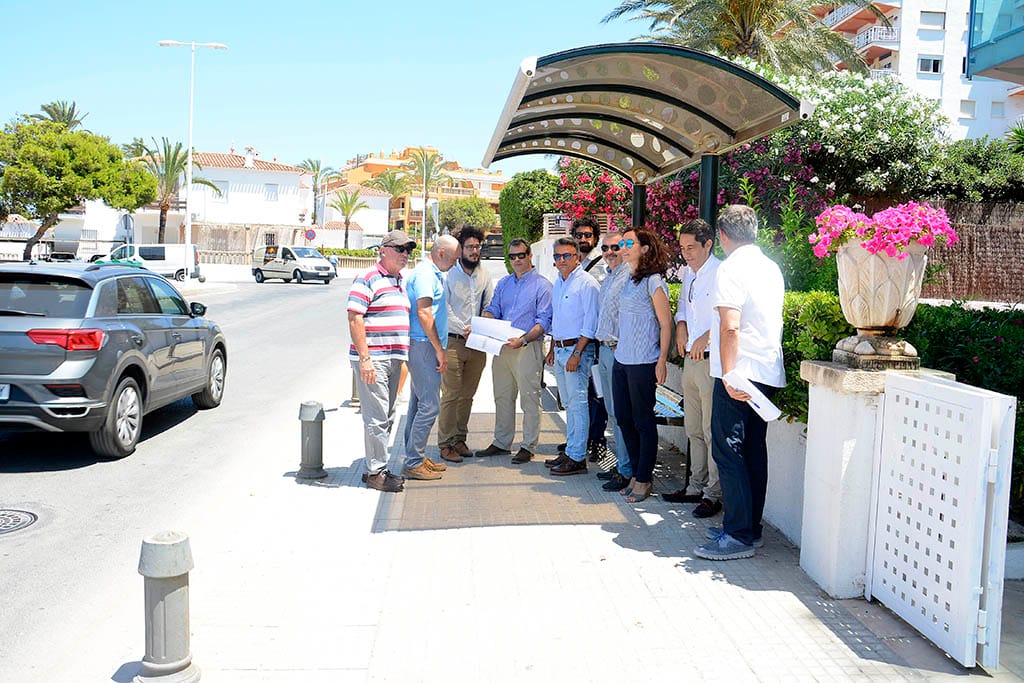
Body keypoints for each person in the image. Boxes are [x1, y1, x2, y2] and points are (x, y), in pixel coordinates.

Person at [695, 205, 786, 561]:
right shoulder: (770, 267)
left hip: (740, 374)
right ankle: (750, 528)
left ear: (722, 236)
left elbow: (730, 326)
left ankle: (737, 535)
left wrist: (730, 375)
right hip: (766, 371)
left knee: (728, 451)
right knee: (752, 451)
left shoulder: (730, 268)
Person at [662, 219, 723, 518]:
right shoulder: (689, 273)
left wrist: (706, 336)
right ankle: (695, 486)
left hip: (712, 360)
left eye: (691, 248)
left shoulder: (722, 273)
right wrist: (682, 326)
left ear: (708, 244)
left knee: (711, 431)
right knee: (693, 429)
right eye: (683, 248)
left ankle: (714, 494)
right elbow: (683, 309)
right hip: (691, 359)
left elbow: (728, 316)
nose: (685, 253)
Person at [348, 230, 416, 493]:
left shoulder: (399, 281)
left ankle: (374, 467)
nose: (405, 254)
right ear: (383, 250)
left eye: (408, 250)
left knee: (387, 415)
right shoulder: (367, 278)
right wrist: (365, 359)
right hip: (374, 359)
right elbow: (355, 318)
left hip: (394, 358)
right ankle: (376, 472)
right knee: (376, 417)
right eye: (400, 249)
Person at [476, 238, 552, 463]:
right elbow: (494, 308)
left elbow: (543, 321)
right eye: (512, 256)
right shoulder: (504, 283)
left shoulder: (543, 285)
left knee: (529, 398)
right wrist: (485, 320)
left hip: (527, 346)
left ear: (530, 256)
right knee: (502, 396)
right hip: (502, 347)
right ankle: (501, 442)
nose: (517, 260)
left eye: (521, 255)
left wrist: (524, 340)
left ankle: (528, 446)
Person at [612, 229, 673, 503]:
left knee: (643, 421)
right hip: (622, 360)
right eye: (622, 243)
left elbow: (666, 324)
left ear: (645, 248)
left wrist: (662, 360)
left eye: (629, 243)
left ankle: (645, 479)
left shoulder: (654, 281)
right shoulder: (628, 278)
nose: (623, 247)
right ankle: (636, 474)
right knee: (623, 419)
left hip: (644, 362)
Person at [402, 234, 460, 481]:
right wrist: (439, 349)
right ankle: (413, 462)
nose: (455, 264)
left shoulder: (429, 273)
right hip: (424, 345)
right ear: (441, 253)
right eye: (454, 259)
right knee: (430, 406)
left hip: (422, 344)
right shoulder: (426, 275)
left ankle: (415, 455)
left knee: (418, 404)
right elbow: (424, 312)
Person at [437, 226, 494, 463]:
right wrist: (464, 328)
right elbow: (445, 308)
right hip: (453, 341)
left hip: (478, 343)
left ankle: (459, 439)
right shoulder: (449, 275)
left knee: (467, 395)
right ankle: (445, 443)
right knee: (451, 395)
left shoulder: (485, 274)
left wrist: (480, 325)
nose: (474, 251)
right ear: (461, 249)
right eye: (470, 247)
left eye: (477, 246)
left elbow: (489, 304)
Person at [544, 236, 600, 476]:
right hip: (560, 350)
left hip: (577, 351)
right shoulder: (559, 282)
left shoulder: (587, 284)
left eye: (567, 255)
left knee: (578, 404)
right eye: (557, 256)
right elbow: (558, 320)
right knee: (568, 404)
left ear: (577, 257)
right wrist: (551, 349)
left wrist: (577, 353)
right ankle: (570, 451)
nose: (562, 260)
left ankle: (577, 458)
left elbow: (591, 322)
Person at [593, 230, 632, 491]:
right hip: (605, 351)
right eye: (605, 248)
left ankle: (627, 470)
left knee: (621, 413)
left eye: (615, 247)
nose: (610, 253)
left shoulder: (629, 276)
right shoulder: (608, 277)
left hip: (619, 351)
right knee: (613, 412)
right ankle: (622, 465)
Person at [571, 216, 609, 462]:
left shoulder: (602, 265)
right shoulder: (572, 264)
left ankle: (597, 441)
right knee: (579, 393)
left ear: (595, 238)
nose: (583, 239)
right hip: (577, 338)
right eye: (579, 235)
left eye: (588, 235)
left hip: (595, 340)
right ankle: (580, 439)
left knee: (596, 393)